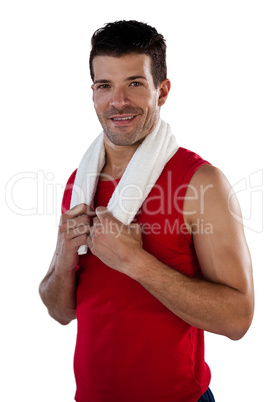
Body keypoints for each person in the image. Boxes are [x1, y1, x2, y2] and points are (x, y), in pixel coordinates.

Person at [39, 20, 254, 402]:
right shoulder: (80, 184)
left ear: (163, 91)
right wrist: (63, 257)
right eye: (105, 86)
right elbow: (61, 312)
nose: (118, 101)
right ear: (93, 93)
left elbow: (238, 319)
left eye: (135, 84)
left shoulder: (200, 183)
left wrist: (134, 262)